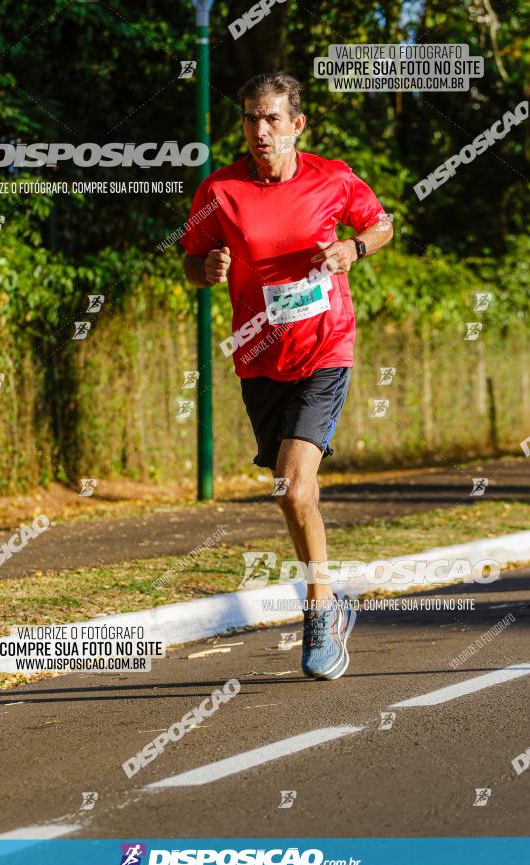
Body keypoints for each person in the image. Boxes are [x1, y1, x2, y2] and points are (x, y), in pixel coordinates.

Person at [181, 72, 393, 680]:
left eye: (272, 118)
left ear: (297, 124)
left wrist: (355, 249)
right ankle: (331, 591)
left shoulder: (332, 177)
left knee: (296, 486)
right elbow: (191, 264)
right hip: (258, 358)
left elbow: (381, 223)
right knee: (286, 490)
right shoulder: (219, 190)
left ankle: (319, 612)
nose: (260, 130)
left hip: (325, 347)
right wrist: (209, 267)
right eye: (250, 118)